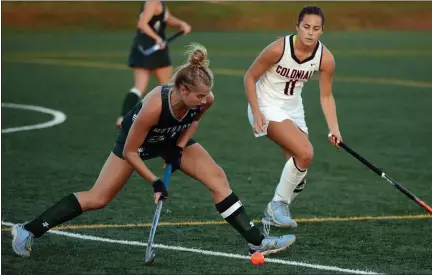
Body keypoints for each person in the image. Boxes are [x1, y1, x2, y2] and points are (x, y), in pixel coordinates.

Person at [12, 43, 296, 258]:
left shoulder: (204, 100)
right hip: (136, 144)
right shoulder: (154, 107)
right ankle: (28, 230)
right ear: (182, 88)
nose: (202, 100)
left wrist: (178, 149)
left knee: (217, 179)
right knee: (98, 198)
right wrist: (155, 182)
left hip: (171, 138)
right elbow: (132, 152)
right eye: (197, 95)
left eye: (205, 95)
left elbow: (193, 122)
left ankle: (255, 241)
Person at [243, 5, 343, 232]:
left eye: (316, 28)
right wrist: (256, 111)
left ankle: (276, 210)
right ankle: (276, 207)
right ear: (297, 27)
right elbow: (249, 77)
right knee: (305, 153)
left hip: (293, 109)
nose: (310, 32)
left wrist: (334, 128)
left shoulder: (325, 59)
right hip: (265, 104)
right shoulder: (278, 48)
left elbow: (326, 96)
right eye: (306, 27)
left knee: (299, 173)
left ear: (322, 31)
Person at [116, 0, 192, 128]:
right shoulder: (152, 2)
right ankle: (164, 120)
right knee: (168, 87)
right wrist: (157, 39)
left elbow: (167, 17)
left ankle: (123, 118)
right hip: (153, 48)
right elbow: (142, 24)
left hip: (141, 48)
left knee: (139, 87)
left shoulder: (159, 3)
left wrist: (181, 24)